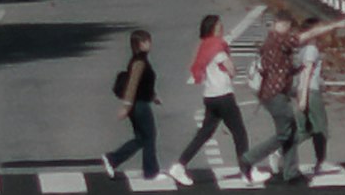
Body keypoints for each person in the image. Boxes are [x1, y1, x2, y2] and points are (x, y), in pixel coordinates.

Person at [173, 11, 249, 181]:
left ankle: (180, 165)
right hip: (224, 95)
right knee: (239, 132)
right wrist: (233, 69)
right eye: (219, 26)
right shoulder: (217, 47)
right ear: (214, 29)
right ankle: (246, 171)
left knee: (205, 133)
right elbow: (231, 69)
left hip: (210, 96)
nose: (221, 28)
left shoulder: (205, 46)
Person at [102, 27, 161, 180]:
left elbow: (142, 84)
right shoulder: (139, 62)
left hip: (138, 103)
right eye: (146, 41)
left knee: (141, 138)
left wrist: (153, 96)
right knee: (149, 136)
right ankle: (151, 172)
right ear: (140, 44)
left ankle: (113, 159)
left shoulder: (139, 60)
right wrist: (126, 107)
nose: (150, 43)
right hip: (139, 105)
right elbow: (133, 84)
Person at [254, 14, 302, 181]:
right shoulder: (277, 40)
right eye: (285, 25)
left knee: (291, 132)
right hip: (275, 94)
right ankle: (249, 159)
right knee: (285, 133)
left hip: (275, 93)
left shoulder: (275, 41)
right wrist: (327, 27)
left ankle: (290, 171)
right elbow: (297, 40)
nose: (287, 29)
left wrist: (297, 69)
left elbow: (282, 67)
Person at [287, 15, 336, 176]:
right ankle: (320, 162)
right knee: (321, 129)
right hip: (311, 93)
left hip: (305, 90)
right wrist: (304, 98)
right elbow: (307, 73)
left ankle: (280, 151)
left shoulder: (303, 50)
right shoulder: (311, 50)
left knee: (305, 130)